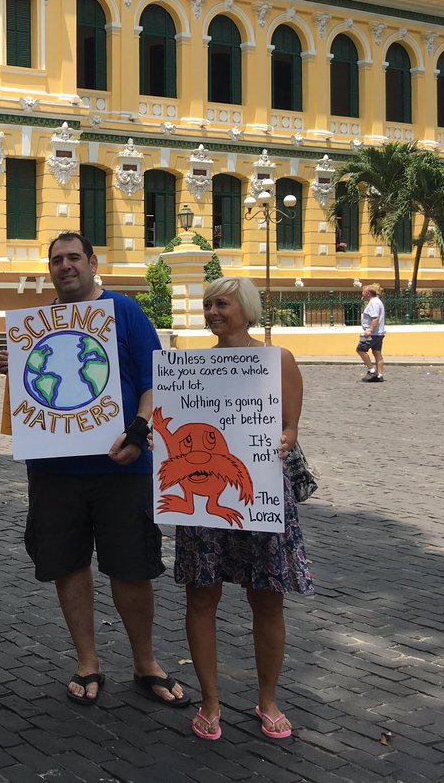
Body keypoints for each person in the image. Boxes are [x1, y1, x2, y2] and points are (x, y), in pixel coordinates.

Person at [0, 232, 189, 709]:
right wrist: (15, 371)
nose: (65, 266)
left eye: (73, 258)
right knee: (68, 564)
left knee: (131, 567)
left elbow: (154, 381)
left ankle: (145, 662)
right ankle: (88, 661)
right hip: (54, 471)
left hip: (120, 466)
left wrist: (140, 431)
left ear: (92, 262)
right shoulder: (35, 326)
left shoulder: (124, 312)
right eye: (57, 260)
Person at [176, 277, 313, 741]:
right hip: (204, 500)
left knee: (268, 600)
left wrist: (283, 439)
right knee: (201, 596)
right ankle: (210, 700)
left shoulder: (279, 361)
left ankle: (268, 698)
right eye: (208, 304)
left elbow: (290, 429)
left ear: (247, 308)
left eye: (222, 304)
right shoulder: (189, 368)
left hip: (260, 494)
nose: (213, 312)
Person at [357, 284, 386, 382]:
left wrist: (369, 330)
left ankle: (371, 370)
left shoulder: (373, 303)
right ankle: (379, 375)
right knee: (377, 352)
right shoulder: (377, 302)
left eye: (363, 292)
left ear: (368, 293)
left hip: (371, 334)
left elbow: (375, 318)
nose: (362, 294)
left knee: (360, 349)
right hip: (379, 333)